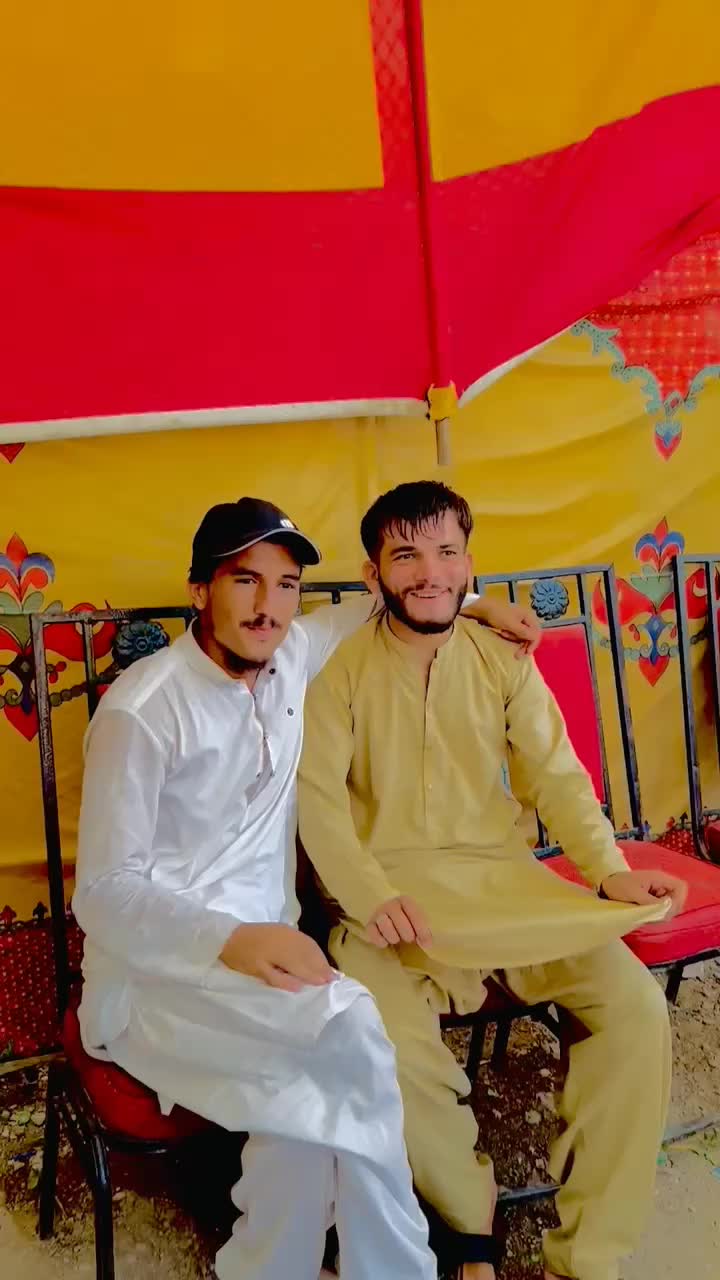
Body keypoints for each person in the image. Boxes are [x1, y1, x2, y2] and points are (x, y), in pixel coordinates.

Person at [73, 495, 540, 1280]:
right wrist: (230, 939)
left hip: (277, 972)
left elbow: (394, 600)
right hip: (159, 980)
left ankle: (274, 1265)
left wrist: (480, 602)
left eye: (287, 585)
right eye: (245, 580)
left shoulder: (294, 653)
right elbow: (104, 893)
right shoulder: (143, 711)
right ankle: (398, 1267)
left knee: (305, 1111)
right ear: (199, 590)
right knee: (351, 1036)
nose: (269, 606)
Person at [298, 481, 688, 1280]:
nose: (429, 573)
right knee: (383, 1041)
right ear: (373, 574)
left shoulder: (501, 659)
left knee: (636, 1011)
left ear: (469, 565)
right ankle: (466, 1227)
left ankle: (587, 1258)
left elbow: (557, 776)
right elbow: (319, 805)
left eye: (447, 553)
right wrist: (370, 898)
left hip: (508, 892)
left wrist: (608, 873)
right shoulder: (336, 671)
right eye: (406, 556)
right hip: (393, 909)